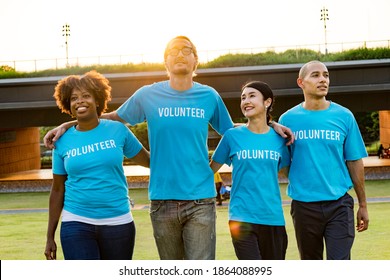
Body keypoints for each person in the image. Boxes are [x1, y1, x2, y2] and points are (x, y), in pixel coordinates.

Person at [43, 36, 293, 260]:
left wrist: (271, 124)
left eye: (186, 50)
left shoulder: (209, 96)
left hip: (201, 200)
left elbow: (236, 131)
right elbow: (112, 116)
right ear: (165, 62)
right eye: (173, 51)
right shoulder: (147, 94)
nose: (180, 54)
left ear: (196, 61)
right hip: (162, 200)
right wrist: (69, 122)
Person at [44, 71, 150, 260]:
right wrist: (49, 236)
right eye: (74, 98)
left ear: (98, 100)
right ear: (68, 104)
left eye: (86, 96)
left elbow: (150, 161)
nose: (80, 101)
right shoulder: (60, 141)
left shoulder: (118, 130)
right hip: (76, 221)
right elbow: (57, 189)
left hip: (118, 221)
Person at [279, 60, 369, 260]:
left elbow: (354, 161)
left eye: (326, 75)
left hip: (339, 205)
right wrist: (303, 181)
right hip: (303, 207)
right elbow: (284, 165)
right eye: (316, 75)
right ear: (301, 82)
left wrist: (363, 204)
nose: (323, 79)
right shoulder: (287, 119)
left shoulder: (344, 116)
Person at [210, 81, 290, 260]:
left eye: (252, 95)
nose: (246, 100)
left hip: (273, 218)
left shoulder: (279, 139)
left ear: (267, 102)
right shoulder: (231, 136)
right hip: (241, 218)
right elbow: (209, 172)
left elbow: (290, 174)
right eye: (243, 97)